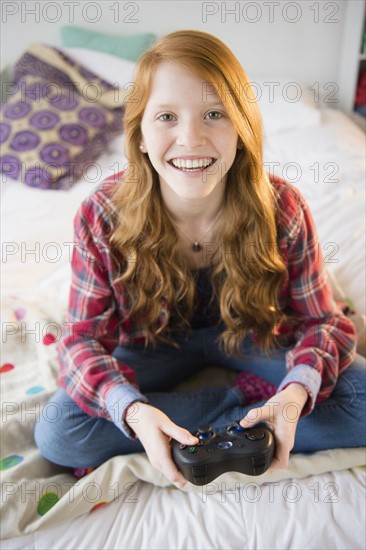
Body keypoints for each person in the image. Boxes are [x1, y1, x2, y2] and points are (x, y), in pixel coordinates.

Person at [35, 30, 365, 489]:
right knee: (61, 433)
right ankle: (235, 408)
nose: (191, 138)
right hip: (151, 343)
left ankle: (256, 409)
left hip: (251, 333)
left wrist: (291, 396)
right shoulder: (103, 212)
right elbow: (81, 339)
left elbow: (321, 323)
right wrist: (133, 410)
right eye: (167, 116)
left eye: (215, 114)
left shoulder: (282, 206)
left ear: (242, 128)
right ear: (142, 135)